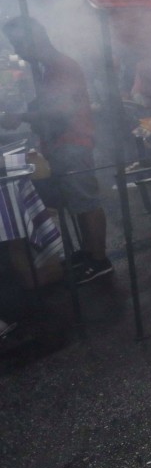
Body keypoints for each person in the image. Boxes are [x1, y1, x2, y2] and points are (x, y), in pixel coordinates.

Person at [0, 17, 111, 284]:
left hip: (73, 142)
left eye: (18, 43)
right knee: (76, 203)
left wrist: (23, 117)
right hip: (60, 144)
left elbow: (62, 111)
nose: (18, 50)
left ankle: (99, 260)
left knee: (86, 202)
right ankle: (87, 253)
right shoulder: (48, 70)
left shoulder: (62, 67)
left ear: (34, 39)